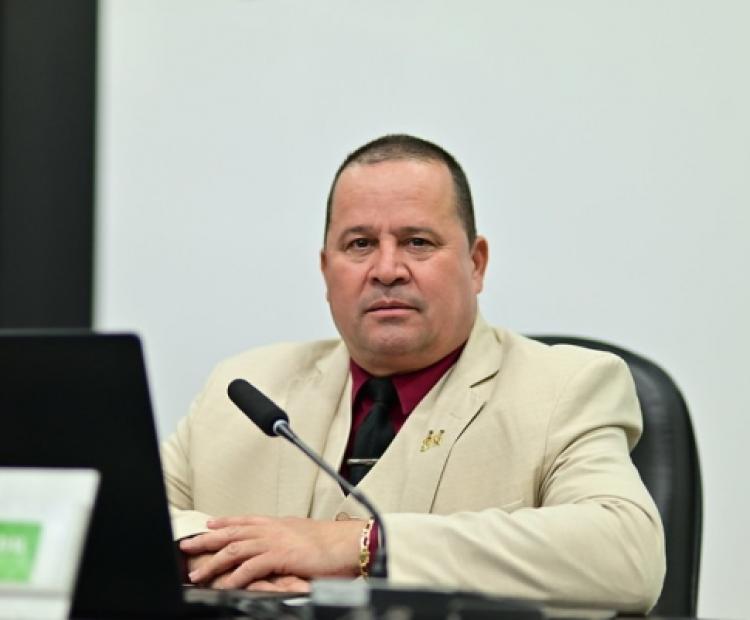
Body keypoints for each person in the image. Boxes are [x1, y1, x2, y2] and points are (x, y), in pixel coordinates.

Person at [162, 134, 665, 612]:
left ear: (476, 263)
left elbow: (626, 553)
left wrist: (361, 546)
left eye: (418, 242)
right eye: (360, 244)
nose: (387, 269)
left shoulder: (564, 387)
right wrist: (233, 558)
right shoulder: (245, 388)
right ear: (325, 270)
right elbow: (125, 517)